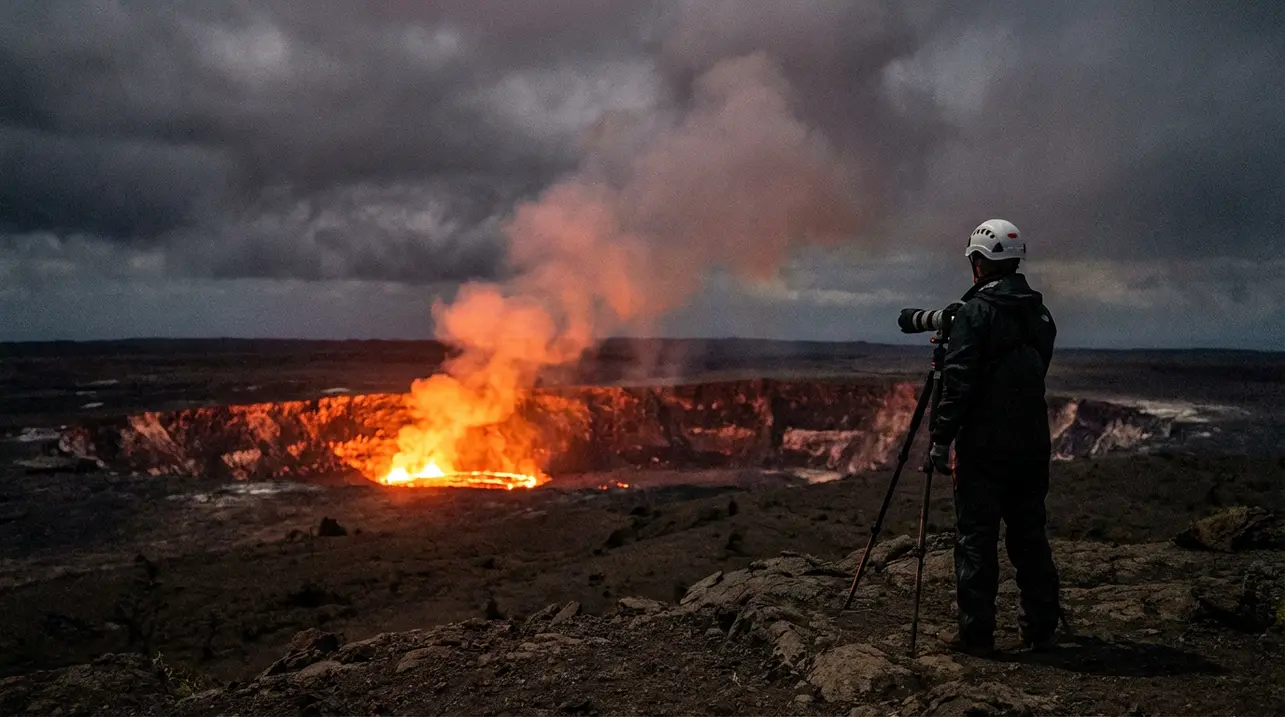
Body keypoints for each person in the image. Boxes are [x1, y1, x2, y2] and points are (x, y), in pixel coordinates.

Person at [919, 218, 1061, 656]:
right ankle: (1040, 629)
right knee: (1029, 536)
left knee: (976, 540)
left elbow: (958, 382)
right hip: (1033, 445)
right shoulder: (1040, 313)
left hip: (983, 449)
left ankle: (975, 636)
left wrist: (940, 440)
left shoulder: (975, 314)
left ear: (980, 263)